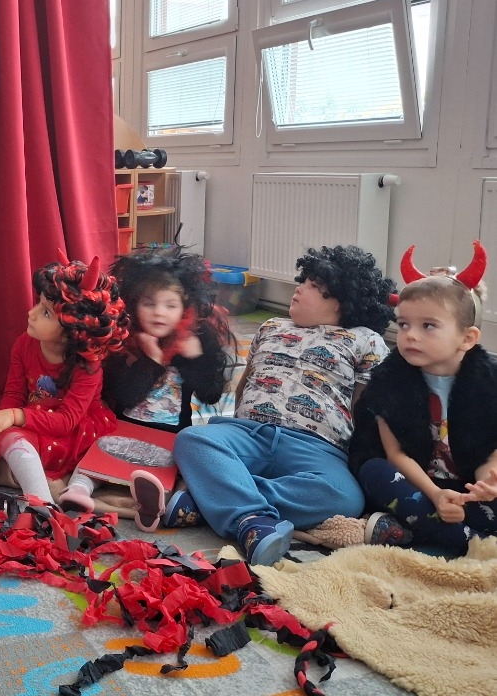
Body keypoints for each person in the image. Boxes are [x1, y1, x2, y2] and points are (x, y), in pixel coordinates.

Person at [160, 245, 397, 567]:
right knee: (193, 439)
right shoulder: (272, 326)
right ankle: (251, 520)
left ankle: (211, 500)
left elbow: (364, 407)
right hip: (249, 434)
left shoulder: (365, 340)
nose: (299, 289)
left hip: (316, 447)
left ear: (342, 301)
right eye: (304, 281)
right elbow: (246, 384)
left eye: (314, 286)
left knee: (345, 496)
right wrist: (237, 423)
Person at [57, 247, 236, 528]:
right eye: (149, 304)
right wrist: (151, 361)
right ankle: (79, 490)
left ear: (186, 309)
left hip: (170, 439)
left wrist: (197, 360)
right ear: (133, 304)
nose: (159, 313)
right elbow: (124, 397)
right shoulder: (122, 342)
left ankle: (152, 505)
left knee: (186, 470)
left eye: (170, 305)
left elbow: (210, 394)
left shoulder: (193, 342)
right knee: (91, 459)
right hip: (119, 430)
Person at [0, 255, 130, 514]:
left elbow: (66, 421)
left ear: (73, 333)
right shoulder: (24, 344)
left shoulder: (88, 368)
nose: (31, 314)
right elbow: (14, 392)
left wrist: (15, 418)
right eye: (39, 304)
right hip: (29, 423)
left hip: (69, 434)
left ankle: (44, 508)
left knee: (12, 436)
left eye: (45, 312)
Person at [349, 242, 497, 555]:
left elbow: (489, 456)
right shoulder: (388, 381)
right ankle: (470, 540)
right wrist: (435, 494)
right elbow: (396, 455)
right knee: (373, 471)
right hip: (414, 483)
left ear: (467, 338)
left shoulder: (489, 383)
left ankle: (416, 530)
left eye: (428, 325)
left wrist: (486, 486)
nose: (411, 335)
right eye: (404, 324)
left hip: (465, 487)